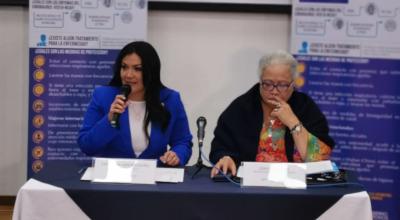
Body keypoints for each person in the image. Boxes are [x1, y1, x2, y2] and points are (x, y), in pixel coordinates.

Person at [210, 50, 334, 177]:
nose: (274, 91)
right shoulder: (241, 107)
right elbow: (219, 148)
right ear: (260, 81)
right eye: (268, 84)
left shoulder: (305, 107)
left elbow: (319, 160)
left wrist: (292, 121)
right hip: (250, 183)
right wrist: (225, 157)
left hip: (296, 183)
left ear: (292, 84)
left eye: (282, 85)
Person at [78, 41, 192, 166]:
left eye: (137, 69)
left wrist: (176, 155)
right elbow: (86, 146)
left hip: (155, 179)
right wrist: (109, 119)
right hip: (112, 180)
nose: (128, 75)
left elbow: (183, 142)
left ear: (151, 72)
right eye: (124, 67)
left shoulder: (170, 99)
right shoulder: (103, 96)